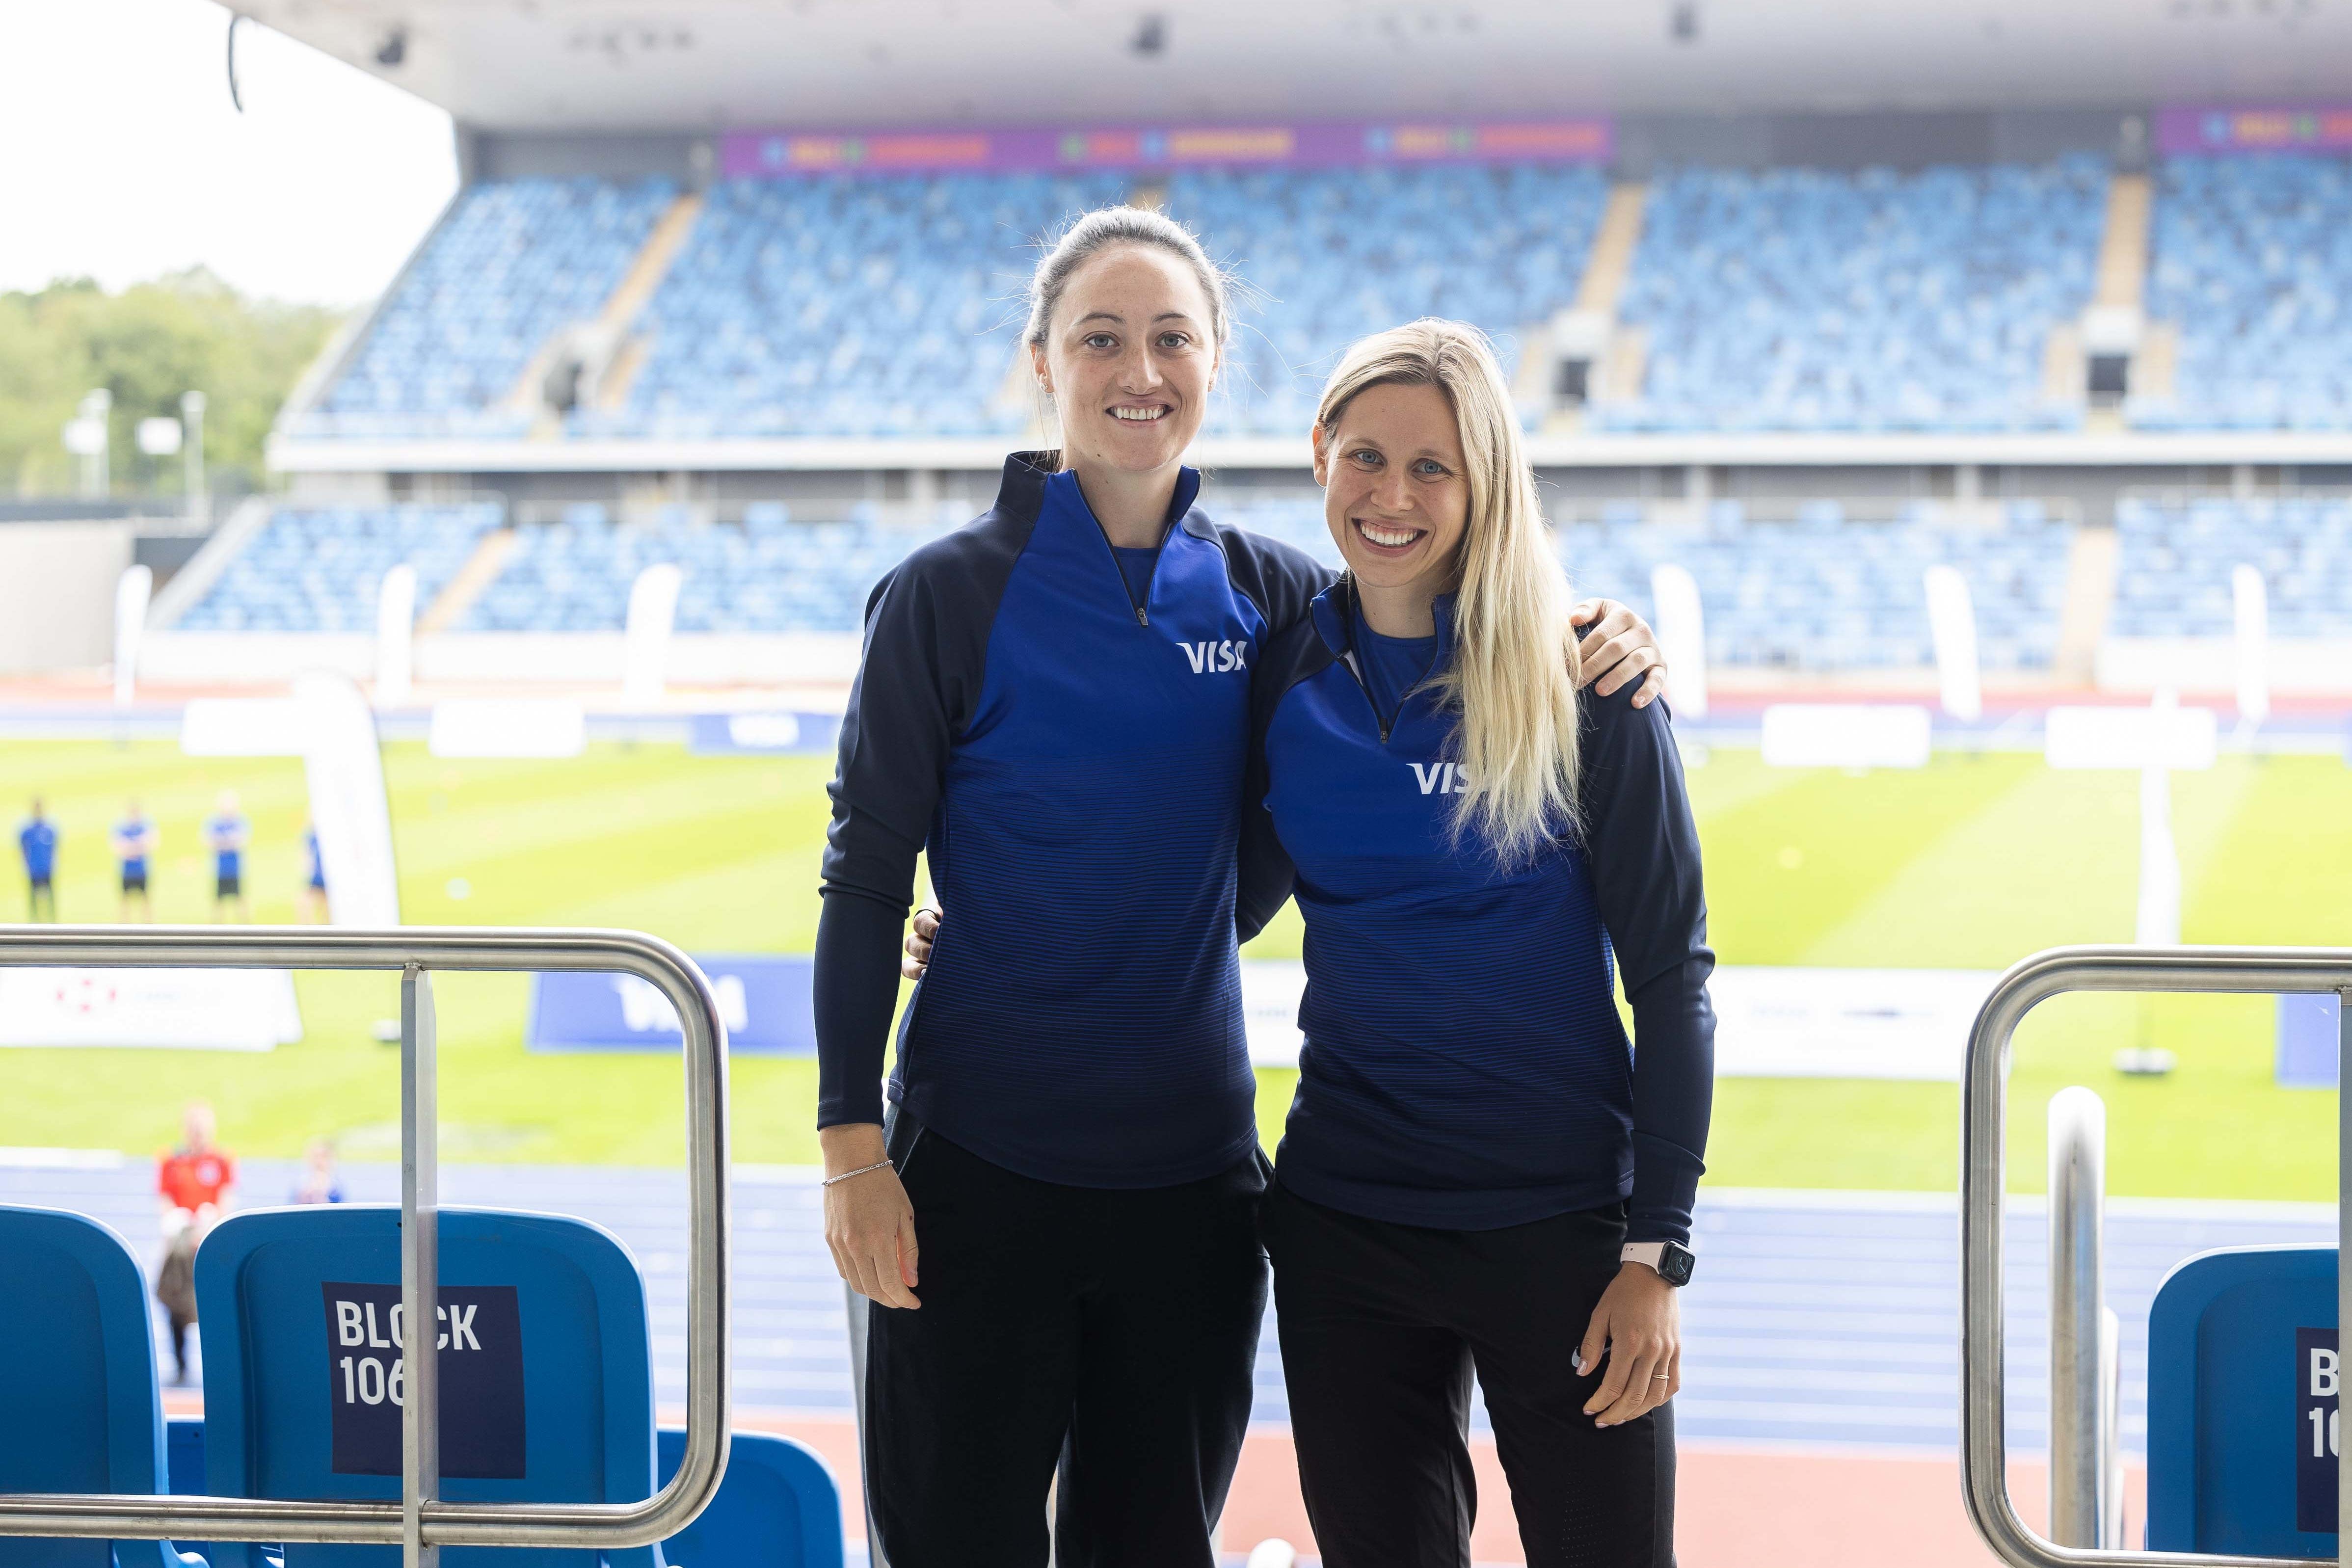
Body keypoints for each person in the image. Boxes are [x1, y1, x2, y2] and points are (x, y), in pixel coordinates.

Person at [816, 205, 1668, 1568]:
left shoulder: (1275, 600)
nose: (1137, 369)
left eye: (1171, 337)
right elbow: (861, 879)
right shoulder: (942, 596)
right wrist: (853, 1147)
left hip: (1191, 1193)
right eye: (1101, 337)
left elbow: (1412, 645)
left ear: (1217, 363)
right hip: (971, 1169)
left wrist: (1597, 623)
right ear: (1044, 358)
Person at [1246, 321, 1715, 1567]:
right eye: (1365, 457)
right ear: (1318, 456)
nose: (1391, 496)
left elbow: (1674, 982)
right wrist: (983, 918)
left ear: (1486, 481)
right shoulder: (1278, 663)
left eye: (1433, 468)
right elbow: (1202, 887)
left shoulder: (1586, 685)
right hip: (1345, 1225)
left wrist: (1653, 1252)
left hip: (1558, 1232)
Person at [157, 1102, 237, 1386]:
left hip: (209, 1239)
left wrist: (207, 1226)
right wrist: (180, 1226)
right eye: (194, 1129)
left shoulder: (221, 1161)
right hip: (180, 1242)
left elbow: (225, 1200)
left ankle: (221, 1367)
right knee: (174, 1298)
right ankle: (180, 1365)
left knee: (215, 1302)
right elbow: (165, 1200)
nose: (198, 1134)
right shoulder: (171, 1161)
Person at [207, 791, 250, 921]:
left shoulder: (240, 821)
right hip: (220, 869)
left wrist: (223, 843)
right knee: (219, 900)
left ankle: (246, 928)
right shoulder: (214, 822)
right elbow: (209, 841)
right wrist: (227, 843)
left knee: (240, 898)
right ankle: (217, 930)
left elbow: (241, 841)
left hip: (236, 869)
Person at [114, 801, 157, 921]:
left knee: (146, 900)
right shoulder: (121, 826)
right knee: (124, 901)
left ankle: (150, 930)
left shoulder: (145, 825)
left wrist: (131, 848)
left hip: (142, 870)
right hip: (127, 871)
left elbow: (151, 843)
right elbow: (119, 847)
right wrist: (137, 847)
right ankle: (122, 931)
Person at [18, 797, 57, 921]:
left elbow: (54, 848)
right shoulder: (28, 830)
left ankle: (51, 922)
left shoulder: (49, 829)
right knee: (33, 900)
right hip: (34, 868)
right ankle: (34, 922)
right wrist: (25, 864)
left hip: (46, 868)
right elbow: (23, 848)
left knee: (50, 898)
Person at [290, 1137, 346, 1204]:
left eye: (324, 1156)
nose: (319, 1161)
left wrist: (323, 1194)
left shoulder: (336, 1187)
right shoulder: (300, 1185)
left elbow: (340, 1208)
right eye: (316, 1156)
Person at [299, 820, 328, 923]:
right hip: (317, 876)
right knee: (305, 902)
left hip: (323, 876)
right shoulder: (312, 837)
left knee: (324, 906)